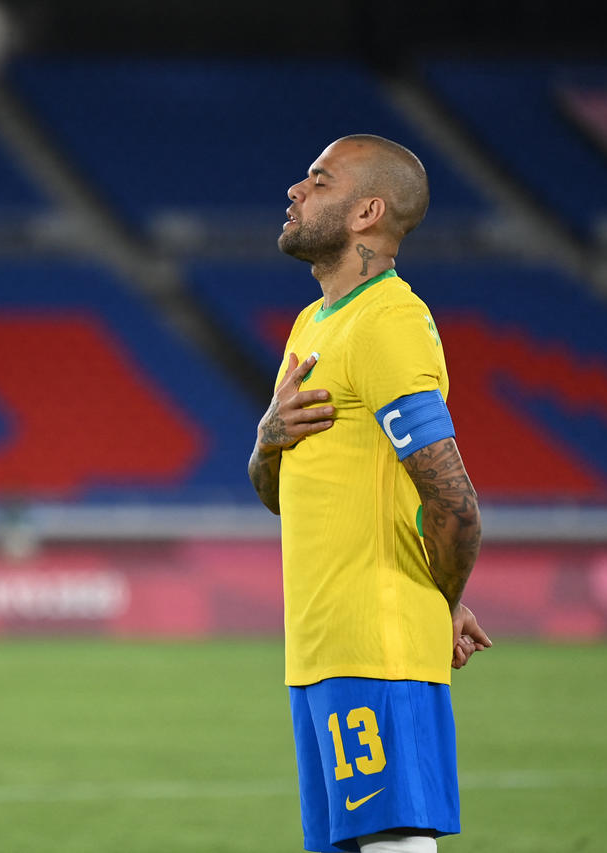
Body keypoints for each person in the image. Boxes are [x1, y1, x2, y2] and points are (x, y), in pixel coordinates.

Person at [247, 134, 491, 853]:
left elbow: (455, 501)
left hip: (375, 645)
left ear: (367, 213)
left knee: (395, 842)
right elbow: (280, 491)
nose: (295, 189)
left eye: (318, 181)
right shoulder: (314, 323)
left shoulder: (389, 321)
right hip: (320, 650)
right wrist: (267, 437)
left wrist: (439, 602)